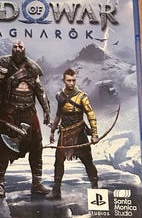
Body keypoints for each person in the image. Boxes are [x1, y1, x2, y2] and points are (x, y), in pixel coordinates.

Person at [0, 41, 51, 197]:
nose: (18, 49)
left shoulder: (32, 68)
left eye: (20, 47)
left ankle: (37, 184)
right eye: (15, 47)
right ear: (12, 49)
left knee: (37, 146)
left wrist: (46, 110)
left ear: (24, 49)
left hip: (29, 112)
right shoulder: (2, 65)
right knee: (3, 147)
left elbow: (40, 91)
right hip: (9, 112)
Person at [47, 68, 99, 200]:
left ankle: (95, 189)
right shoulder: (60, 96)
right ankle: (56, 190)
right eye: (69, 80)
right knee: (58, 162)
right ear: (64, 80)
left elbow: (90, 114)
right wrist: (52, 131)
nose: (71, 83)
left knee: (88, 161)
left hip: (79, 133)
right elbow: (58, 114)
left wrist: (94, 134)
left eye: (73, 80)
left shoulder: (82, 96)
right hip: (64, 133)